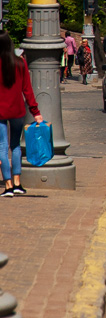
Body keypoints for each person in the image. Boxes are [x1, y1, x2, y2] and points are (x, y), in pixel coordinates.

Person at [0, 30, 44, 196]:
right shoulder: (20, 63)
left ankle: (8, 185)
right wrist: (35, 111)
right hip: (18, 110)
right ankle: (18, 182)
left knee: (2, 148)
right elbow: (27, 89)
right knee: (16, 146)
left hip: (0, 111)